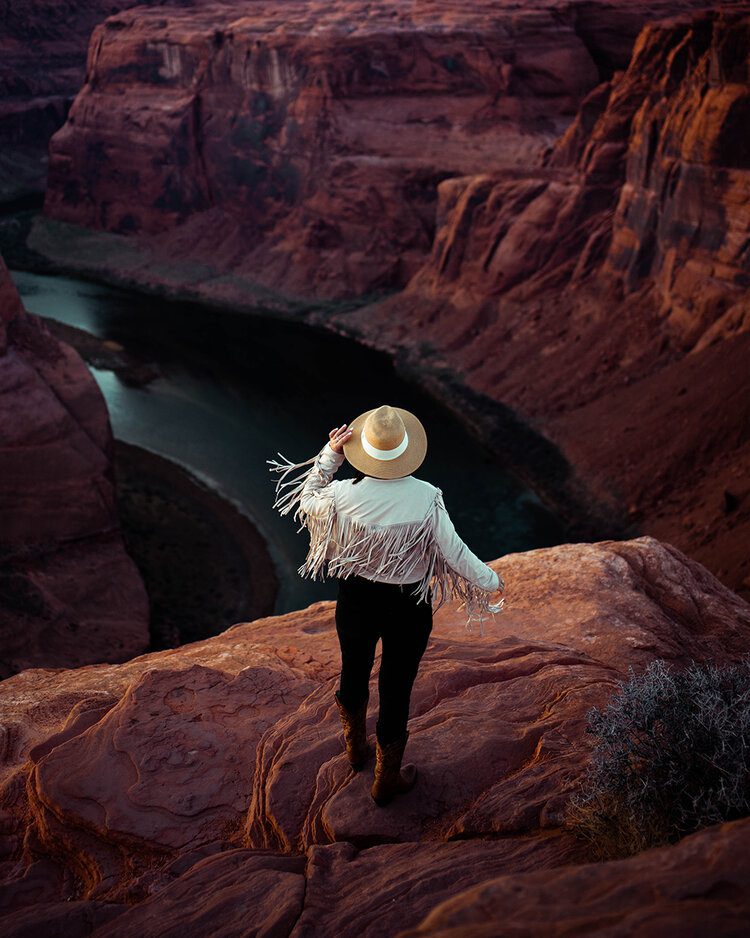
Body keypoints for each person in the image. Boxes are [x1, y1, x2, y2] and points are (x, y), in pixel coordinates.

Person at [267, 404, 504, 806]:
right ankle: (385, 781)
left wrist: (331, 455)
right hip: (407, 607)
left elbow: (306, 497)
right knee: (397, 688)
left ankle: (354, 750)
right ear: (405, 452)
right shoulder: (427, 498)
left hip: (356, 599)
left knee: (353, 673)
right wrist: (490, 580)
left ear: (364, 451)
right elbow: (454, 552)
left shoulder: (341, 496)